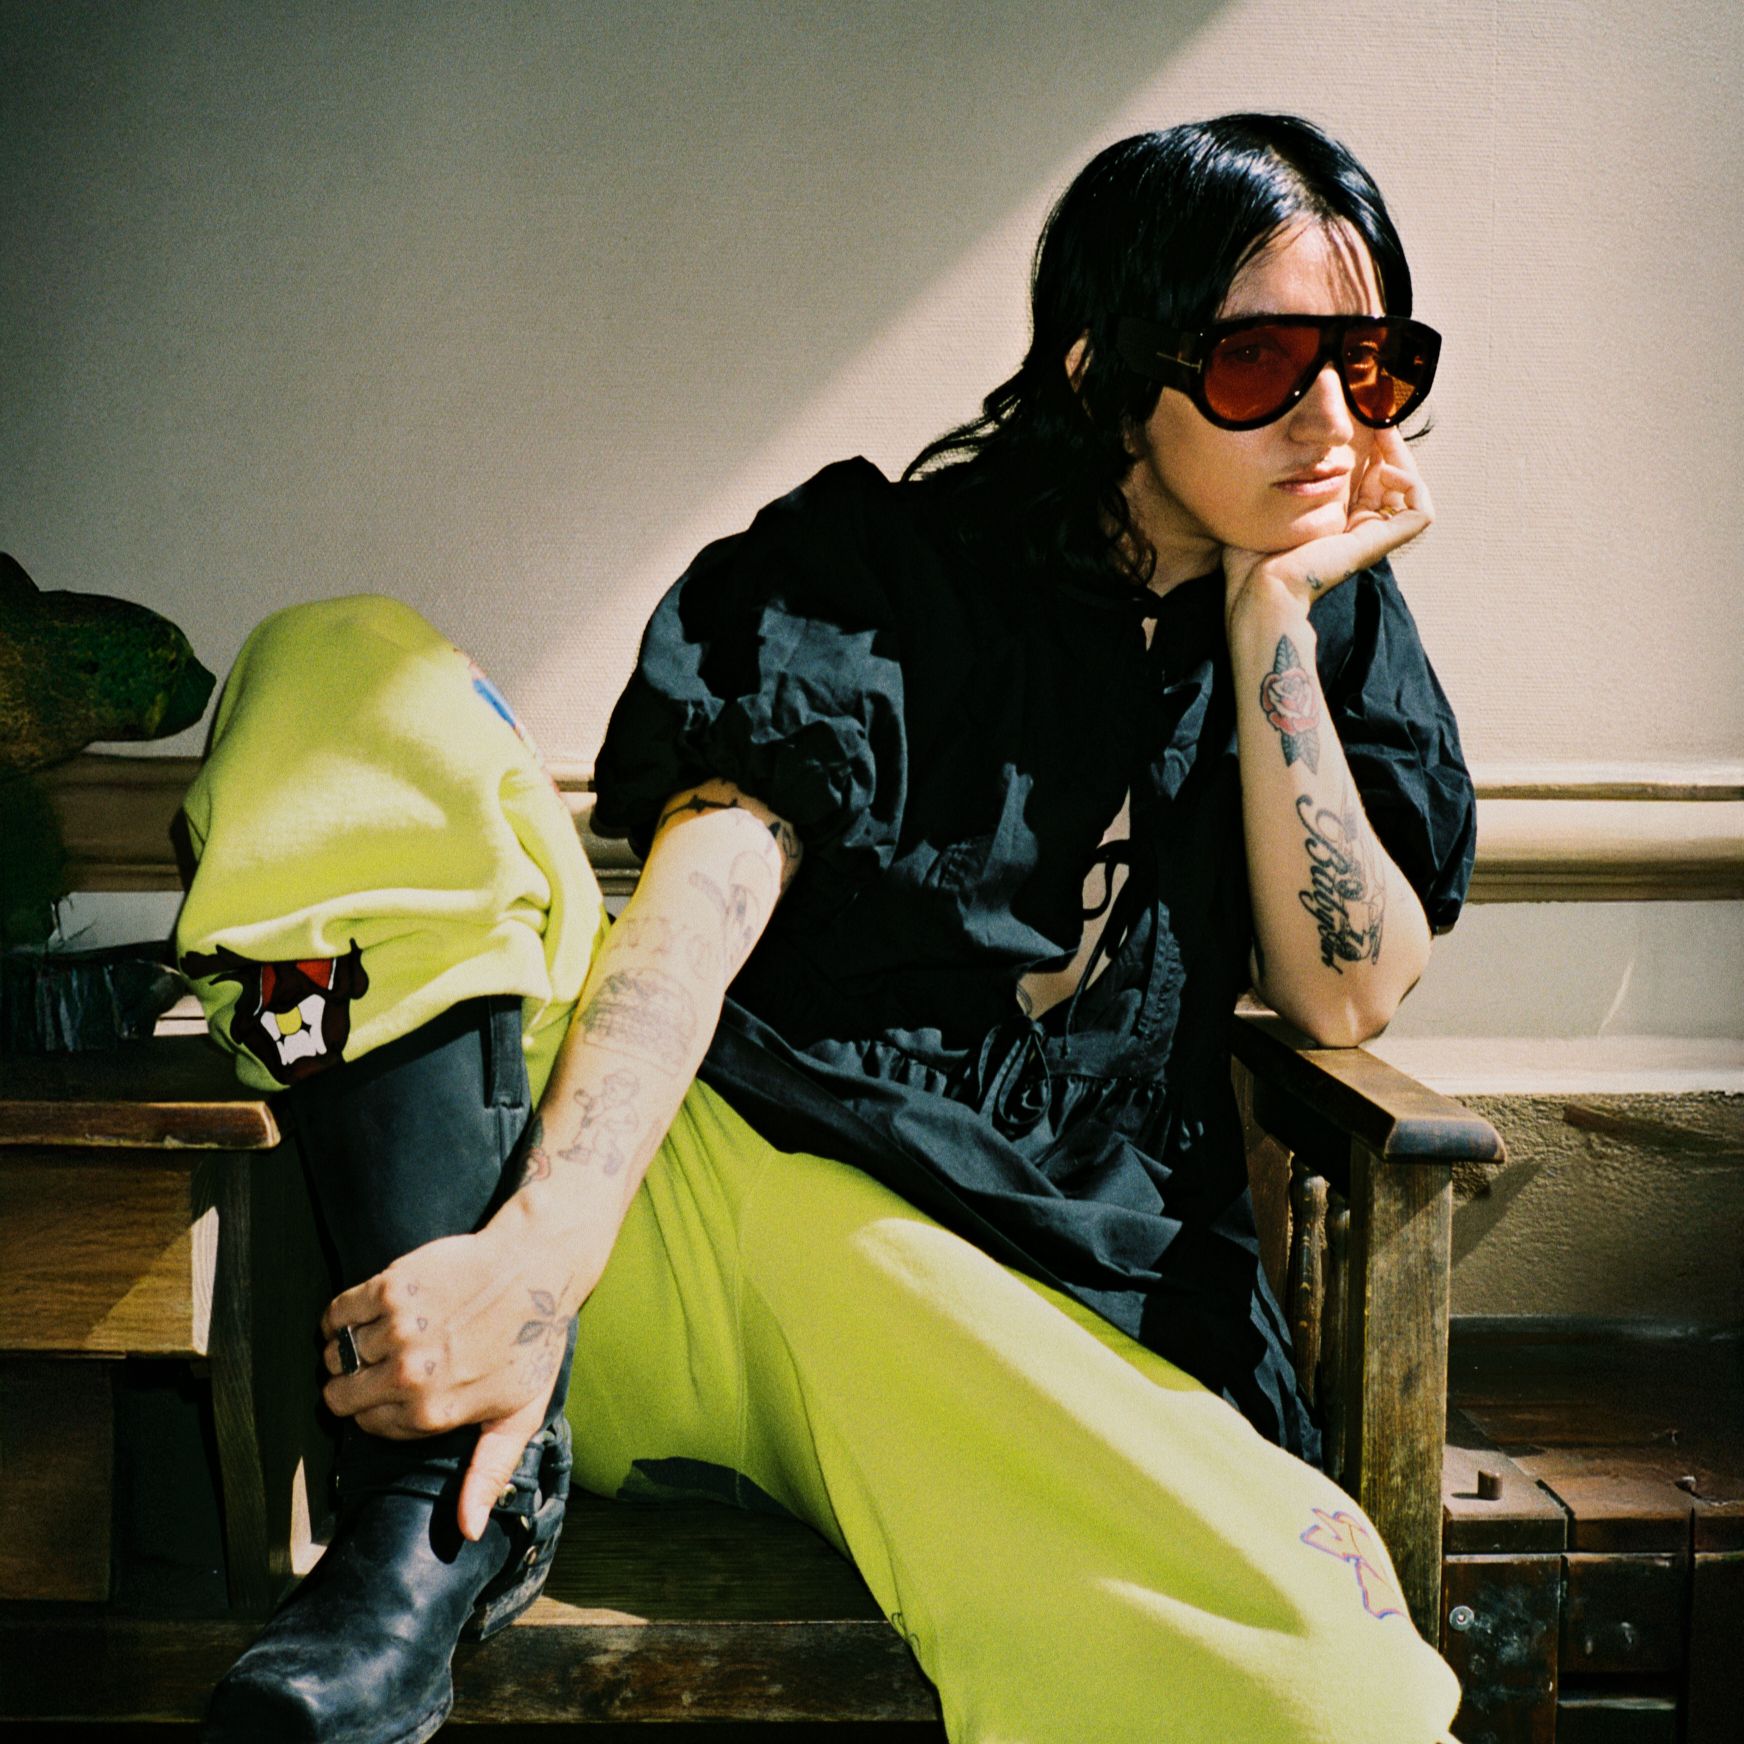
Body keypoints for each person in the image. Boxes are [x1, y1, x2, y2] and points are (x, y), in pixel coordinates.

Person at [179, 112, 1476, 1743]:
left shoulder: (1329, 629)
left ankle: (447, 1482)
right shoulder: (880, 566)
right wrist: (541, 1255)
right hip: (682, 1191)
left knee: (1333, 1684)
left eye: (1372, 365)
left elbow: (1345, 1000)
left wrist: (1272, 630)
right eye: (1259, 362)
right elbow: (706, 890)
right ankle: (434, 1518)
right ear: (1100, 374)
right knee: (340, 665)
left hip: (982, 1308)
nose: (1330, 418)